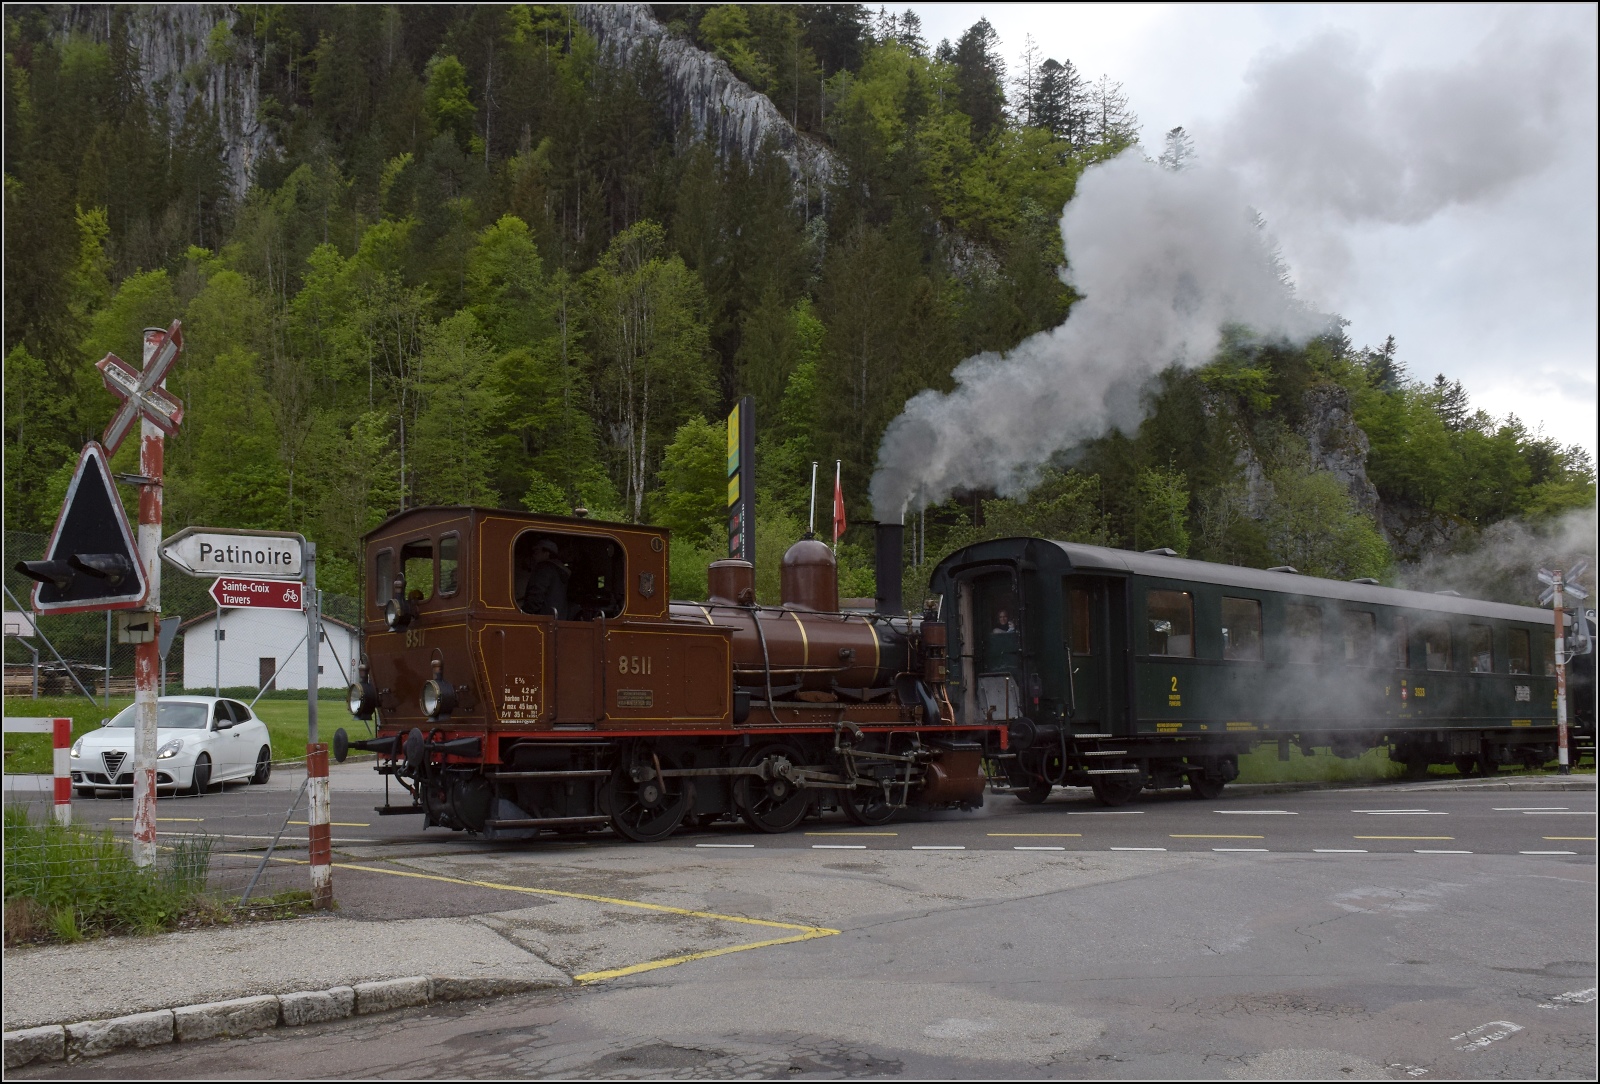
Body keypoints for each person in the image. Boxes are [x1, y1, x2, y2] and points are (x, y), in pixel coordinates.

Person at [521, 539, 570, 617]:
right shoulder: (560, 572)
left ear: (547, 553)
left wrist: (524, 613)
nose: (533, 555)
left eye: (536, 552)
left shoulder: (543, 568)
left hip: (542, 620)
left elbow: (536, 597)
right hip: (558, 619)